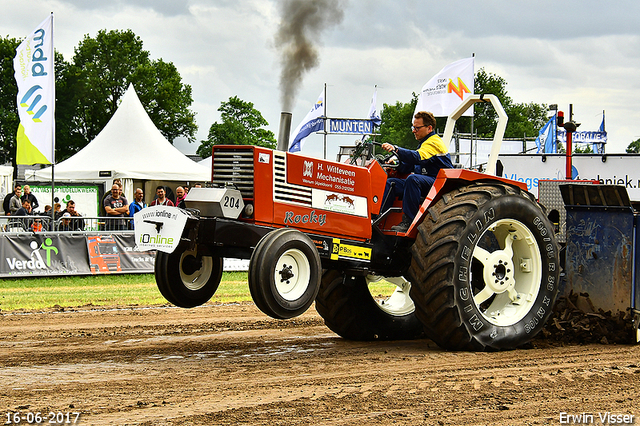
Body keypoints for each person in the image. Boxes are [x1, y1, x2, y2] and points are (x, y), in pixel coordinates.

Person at [380, 111, 454, 232]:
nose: (413, 131)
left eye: (417, 128)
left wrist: (396, 149)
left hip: (439, 184)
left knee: (413, 179)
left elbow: (416, 157)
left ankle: (409, 221)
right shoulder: (424, 145)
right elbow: (408, 165)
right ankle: (377, 218)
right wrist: (394, 165)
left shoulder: (434, 142)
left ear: (429, 128)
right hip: (425, 182)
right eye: (413, 127)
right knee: (392, 183)